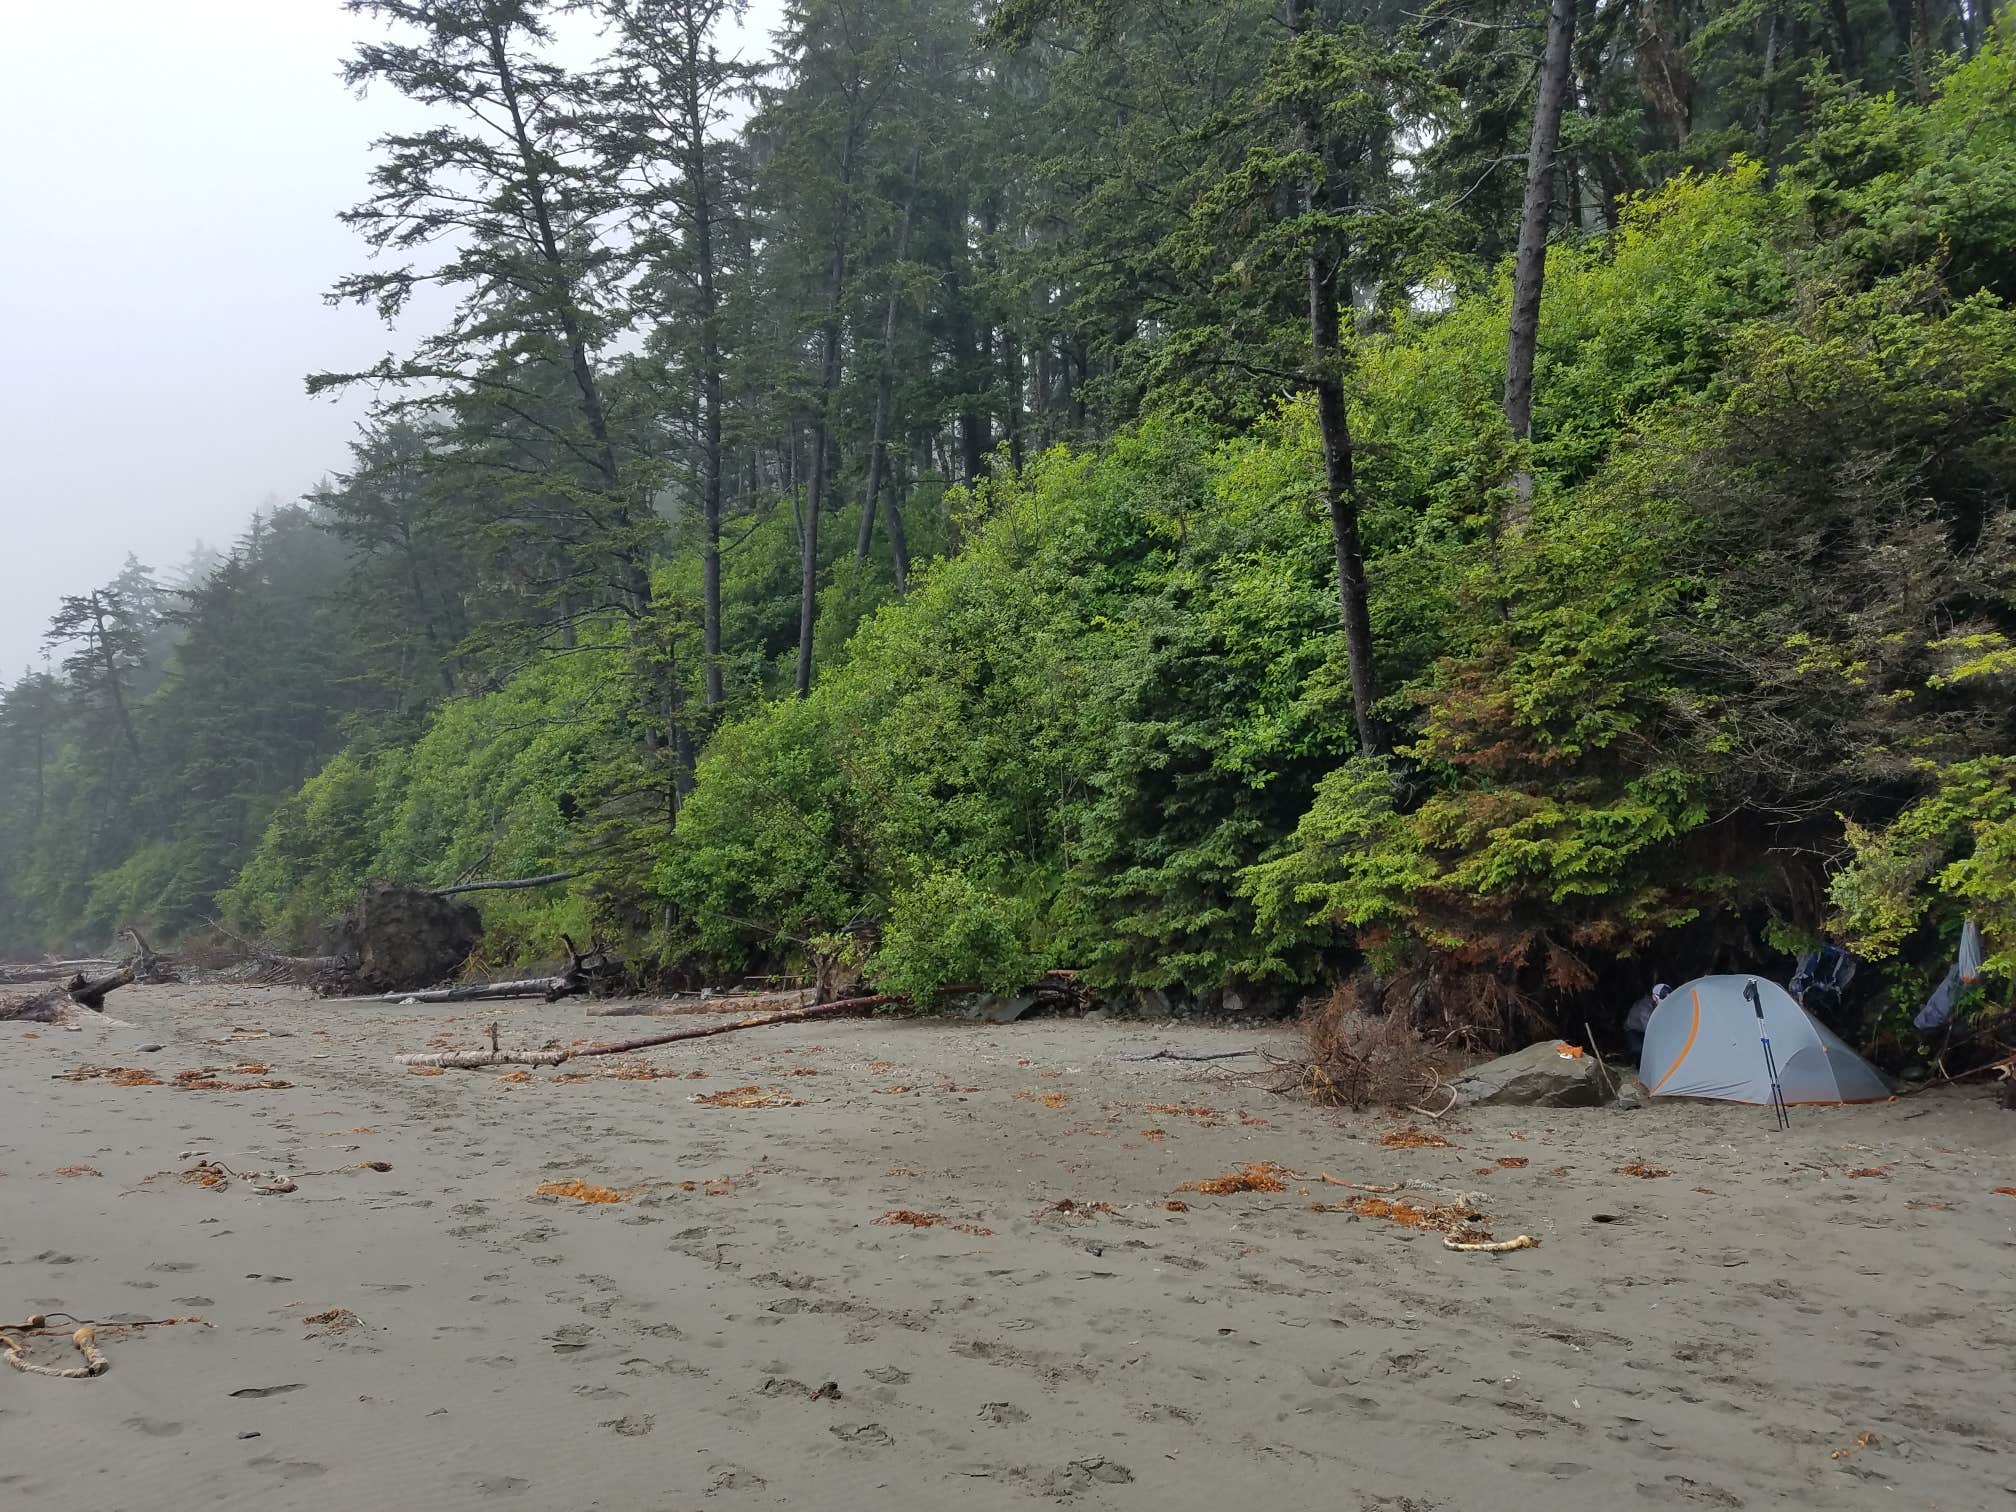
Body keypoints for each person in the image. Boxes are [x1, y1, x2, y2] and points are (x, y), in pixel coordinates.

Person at [1624, 982, 1670, 1060]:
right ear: (1654, 997)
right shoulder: (1644, 1006)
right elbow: (1649, 1028)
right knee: (1639, 1050)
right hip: (1635, 1031)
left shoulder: (1667, 1004)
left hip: (1652, 1031)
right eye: (1661, 1001)